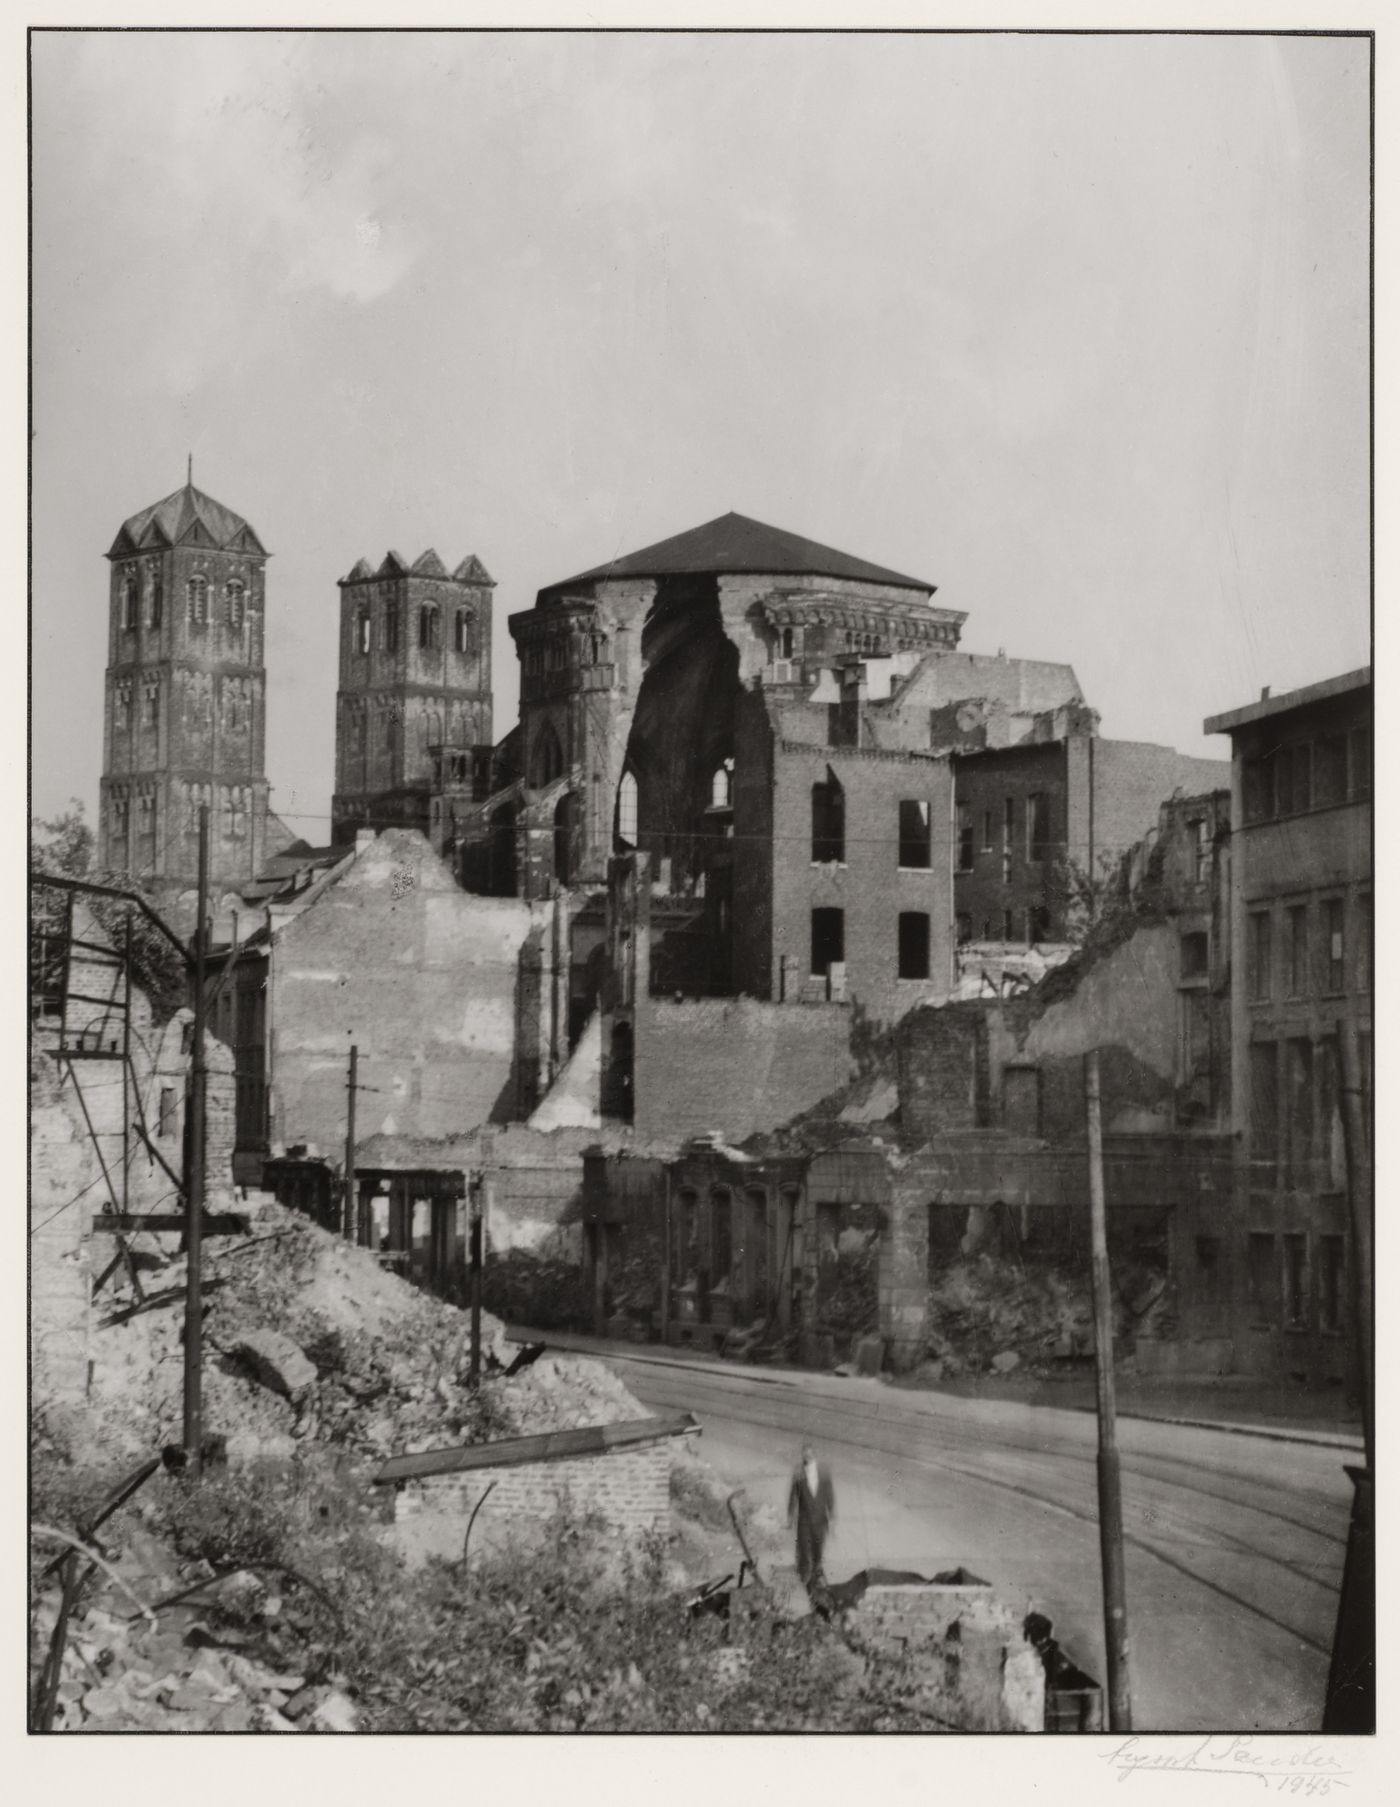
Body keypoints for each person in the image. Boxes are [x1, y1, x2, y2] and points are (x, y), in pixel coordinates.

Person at [787, 1441, 836, 1592]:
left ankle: (816, 1575)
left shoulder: (824, 1472)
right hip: (804, 1519)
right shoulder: (798, 1473)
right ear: (803, 1456)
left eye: (809, 1453)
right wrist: (790, 1515)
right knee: (803, 1548)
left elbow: (829, 1496)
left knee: (818, 1549)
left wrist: (832, 1516)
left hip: (821, 1519)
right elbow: (793, 1496)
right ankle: (804, 1578)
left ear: (814, 1455)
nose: (807, 1456)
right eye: (804, 1454)